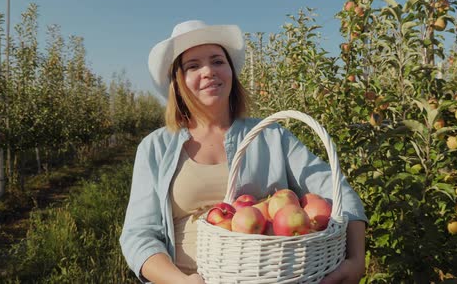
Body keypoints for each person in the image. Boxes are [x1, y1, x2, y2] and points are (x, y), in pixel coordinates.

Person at [120, 20, 368, 284]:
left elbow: (337, 189)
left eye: (217, 61)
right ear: (178, 82)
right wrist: (180, 282)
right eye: (193, 66)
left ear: (230, 72)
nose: (208, 71)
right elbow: (139, 235)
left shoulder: (272, 136)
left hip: (272, 276)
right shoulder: (155, 148)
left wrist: (356, 261)